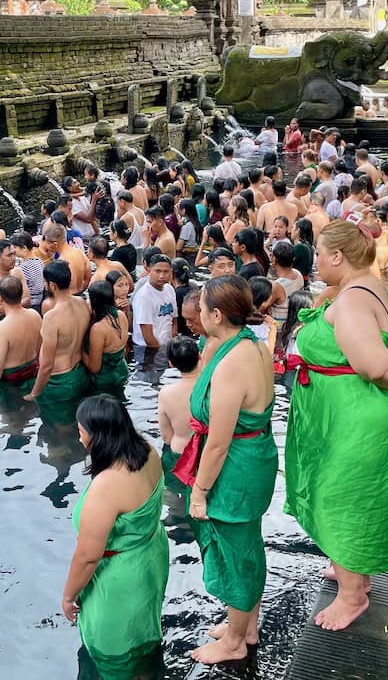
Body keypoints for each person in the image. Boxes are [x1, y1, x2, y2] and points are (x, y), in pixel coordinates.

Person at [284, 220, 388, 630]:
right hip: (354, 413)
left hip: (361, 415)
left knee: (340, 497)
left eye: (317, 251)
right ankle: (353, 569)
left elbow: (374, 366)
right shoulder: (374, 286)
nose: (312, 260)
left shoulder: (350, 301)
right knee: (356, 495)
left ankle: (352, 597)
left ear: (336, 256)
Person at [173, 276, 277, 664]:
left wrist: (199, 490)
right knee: (246, 544)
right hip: (254, 455)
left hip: (237, 464)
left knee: (237, 550)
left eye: (201, 310)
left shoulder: (233, 361)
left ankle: (234, 642)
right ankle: (244, 623)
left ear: (217, 314)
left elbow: (218, 441)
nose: (197, 317)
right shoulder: (250, 343)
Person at [64, 395, 169, 675]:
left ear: (97, 436)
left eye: (81, 430)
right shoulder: (148, 450)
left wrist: (68, 596)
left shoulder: (108, 484)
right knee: (142, 639)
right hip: (151, 554)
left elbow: (87, 557)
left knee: (115, 654)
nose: (78, 435)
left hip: (121, 577)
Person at [28, 260, 91, 404]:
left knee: (58, 424)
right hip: (80, 372)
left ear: (52, 285)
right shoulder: (83, 303)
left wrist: (34, 393)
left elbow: (47, 365)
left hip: (60, 380)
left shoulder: (52, 317)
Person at [157, 336, 203, 489]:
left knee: (176, 505)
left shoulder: (166, 394)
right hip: (206, 456)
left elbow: (166, 436)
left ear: (171, 363)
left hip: (178, 455)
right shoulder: (212, 388)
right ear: (199, 356)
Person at [0, 276, 43, 392]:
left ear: (0, 298)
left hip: (11, 380)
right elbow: (40, 348)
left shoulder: (1, 328)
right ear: (22, 294)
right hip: (32, 372)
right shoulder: (35, 315)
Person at [82, 280, 129, 397]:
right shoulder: (121, 315)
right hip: (122, 371)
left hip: (105, 379)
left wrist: (80, 349)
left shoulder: (98, 329)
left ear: (94, 301)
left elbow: (94, 368)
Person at [131, 254, 177, 351]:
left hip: (166, 345)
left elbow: (173, 320)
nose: (161, 276)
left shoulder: (169, 289)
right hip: (147, 348)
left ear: (171, 272)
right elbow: (147, 335)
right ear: (149, 270)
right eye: (157, 271)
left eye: (165, 272)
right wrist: (162, 352)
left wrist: (172, 342)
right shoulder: (144, 297)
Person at [0, 237, 30, 321]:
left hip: (21, 317)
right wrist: (21, 303)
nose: (14, 258)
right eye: (9, 255)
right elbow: (3, 310)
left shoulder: (17, 272)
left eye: (14, 253)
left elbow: (28, 300)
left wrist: (13, 306)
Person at [40, 222, 90, 294]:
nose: (46, 246)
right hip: (81, 296)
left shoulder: (60, 264)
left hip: (66, 300)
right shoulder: (80, 253)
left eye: (47, 243)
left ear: (55, 244)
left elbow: (56, 290)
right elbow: (88, 278)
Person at [12, 231, 47, 309]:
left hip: (31, 303)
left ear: (24, 248)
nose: (13, 251)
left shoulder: (22, 268)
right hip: (41, 300)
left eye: (15, 248)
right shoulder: (39, 261)